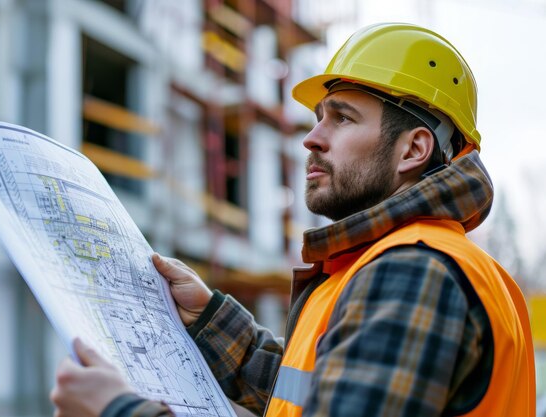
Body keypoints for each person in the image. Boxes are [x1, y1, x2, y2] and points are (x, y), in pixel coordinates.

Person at [50, 22, 536, 417]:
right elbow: (309, 391)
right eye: (317, 117)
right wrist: (210, 320)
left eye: (342, 118)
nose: (312, 138)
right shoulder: (391, 263)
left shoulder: (412, 269)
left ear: (412, 148)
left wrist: (116, 411)